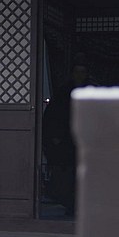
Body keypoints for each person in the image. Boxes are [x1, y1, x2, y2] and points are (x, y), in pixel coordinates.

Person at [42, 58, 90, 217]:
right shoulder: (63, 93)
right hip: (67, 142)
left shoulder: (92, 93)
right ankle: (71, 205)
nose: (80, 75)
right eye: (77, 72)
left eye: (83, 72)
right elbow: (53, 116)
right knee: (67, 176)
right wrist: (56, 137)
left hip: (87, 141)